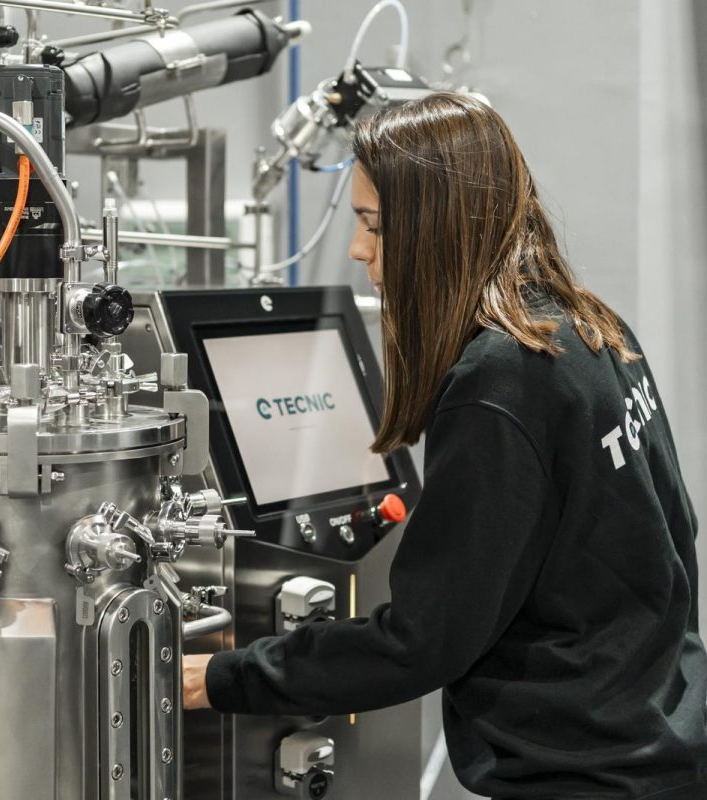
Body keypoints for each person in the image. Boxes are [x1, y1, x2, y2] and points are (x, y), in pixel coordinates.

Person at [182, 92, 707, 799]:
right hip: (662, 739)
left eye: (372, 223)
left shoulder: (501, 379)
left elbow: (422, 640)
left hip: (586, 773)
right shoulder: (591, 328)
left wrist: (223, 676)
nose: (358, 248)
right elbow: (677, 534)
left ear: (436, 224)